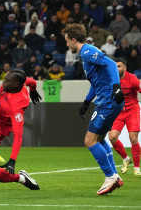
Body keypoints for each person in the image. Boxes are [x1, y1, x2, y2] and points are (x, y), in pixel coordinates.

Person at [62, 23, 125, 195]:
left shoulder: (87, 51)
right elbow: (96, 82)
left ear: (74, 40)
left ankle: (110, 176)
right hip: (107, 100)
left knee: (90, 141)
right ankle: (115, 176)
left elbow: (112, 65)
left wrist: (116, 87)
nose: (67, 45)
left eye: (67, 41)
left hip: (108, 101)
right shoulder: (86, 54)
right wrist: (86, 102)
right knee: (100, 139)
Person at [108, 58, 141, 176]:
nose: (116, 69)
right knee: (112, 137)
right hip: (118, 111)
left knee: (133, 138)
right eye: (115, 66)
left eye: (119, 66)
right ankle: (126, 158)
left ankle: (137, 168)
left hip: (132, 110)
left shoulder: (132, 79)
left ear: (125, 68)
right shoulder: (110, 78)